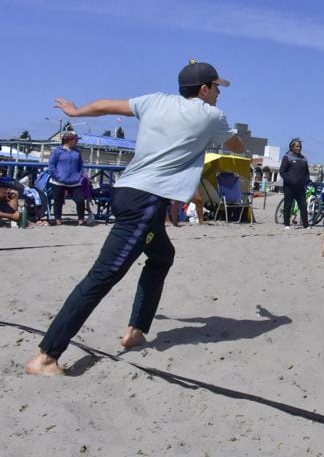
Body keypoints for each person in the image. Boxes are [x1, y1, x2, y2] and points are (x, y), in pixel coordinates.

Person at [25, 61, 244, 376]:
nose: (219, 93)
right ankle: (46, 357)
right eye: (216, 87)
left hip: (127, 192)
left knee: (162, 256)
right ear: (203, 89)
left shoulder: (154, 101)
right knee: (103, 275)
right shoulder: (212, 116)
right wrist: (240, 146)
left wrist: (75, 112)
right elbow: (235, 145)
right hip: (145, 202)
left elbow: (104, 105)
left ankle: (136, 330)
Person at [48, 131, 87, 225]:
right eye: (76, 139)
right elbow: (51, 165)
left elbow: (81, 165)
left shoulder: (77, 152)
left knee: (80, 200)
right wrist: (57, 176)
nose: (77, 141)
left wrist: (79, 175)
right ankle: (58, 219)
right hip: (59, 181)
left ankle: (81, 219)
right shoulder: (58, 151)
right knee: (58, 201)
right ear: (69, 140)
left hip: (75, 182)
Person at [279, 138, 311, 229]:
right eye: (297, 146)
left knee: (303, 206)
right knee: (288, 205)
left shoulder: (304, 158)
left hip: (300, 187)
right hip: (289, 187)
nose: (299, 148)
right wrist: (289, 180)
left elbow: (306, 172)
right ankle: (286, 224)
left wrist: (307, 180)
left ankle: (306, 225)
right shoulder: (287, 157)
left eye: (300, 146)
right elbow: (282, 171)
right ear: (292, 147)